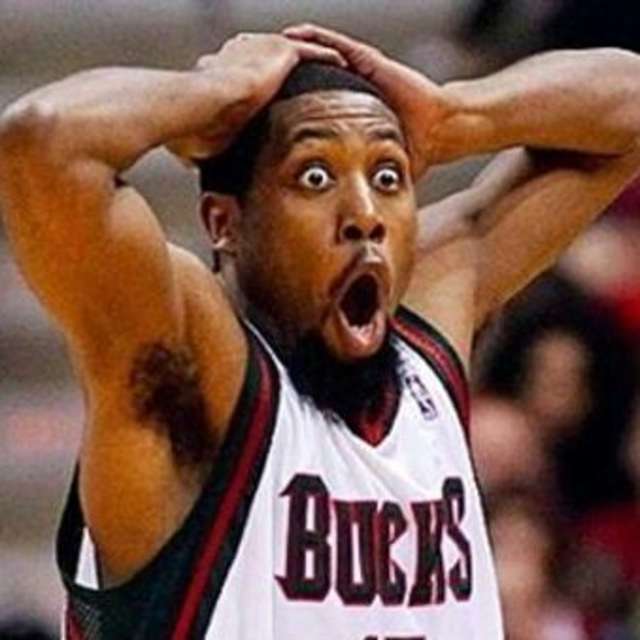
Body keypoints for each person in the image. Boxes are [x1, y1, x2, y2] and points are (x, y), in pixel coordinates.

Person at [1, 22, 639, 640]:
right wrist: (217, 93)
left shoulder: (428, 326)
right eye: (315, 176)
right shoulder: (197, 381)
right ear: (224, 223)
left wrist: (455, 115)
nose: (364, 213)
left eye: (387, 177)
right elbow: (43, 141)